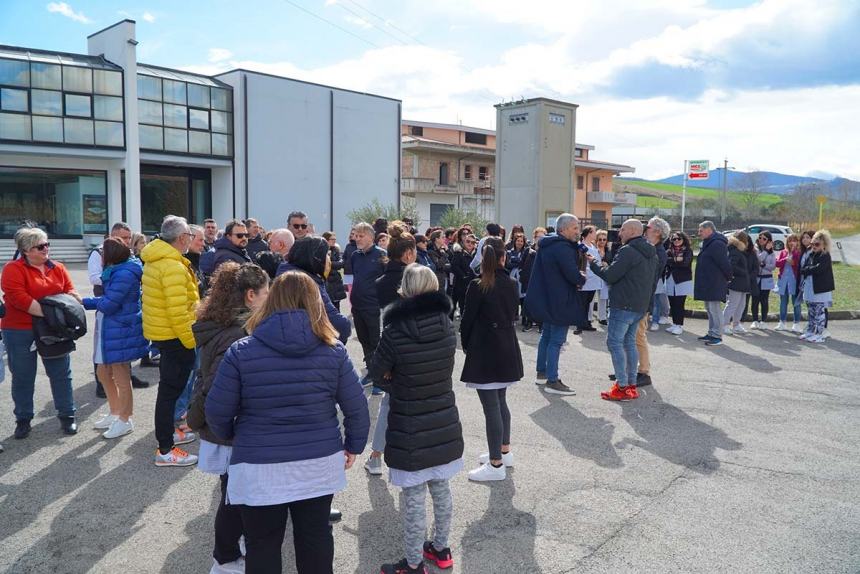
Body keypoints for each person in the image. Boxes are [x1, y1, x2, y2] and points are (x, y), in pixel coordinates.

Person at [205, 271, 370, 574]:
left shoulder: (242, 351)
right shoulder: (333, 351)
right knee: (316, 538)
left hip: (258, 464)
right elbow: (357, 407)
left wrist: (235, 436)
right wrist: (353, 445)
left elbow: (216, 411)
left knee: (262, 544)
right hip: (317, 461)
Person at [370, 264, 464, 574]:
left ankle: (413, 564)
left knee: (413, 497)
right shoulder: (447, 324)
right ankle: (441, 547)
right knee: (441, 486)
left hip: (409, 418)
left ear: (405, 290)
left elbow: (377, 373)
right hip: (443, 416)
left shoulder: (395, 330)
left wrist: (392, 380)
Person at [187, 262, 269, 574]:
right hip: (232, 429)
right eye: (265, 292)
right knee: (234, 498)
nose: (269, 297)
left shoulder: (221, 324)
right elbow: (216, 389)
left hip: (227, 427)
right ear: (250, 295)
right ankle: (225, 557)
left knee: (233, 493)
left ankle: (234, 548)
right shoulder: (237, 335)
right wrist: (197, 418)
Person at [1, 227, 81, 438]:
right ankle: (23, 419)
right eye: (40, 246)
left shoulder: (58, 267)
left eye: (47, 244)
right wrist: (53, 315)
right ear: (26, 250)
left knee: (61, 374)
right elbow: (20, 299)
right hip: (20, 329)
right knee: (23, 376)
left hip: (53, 330)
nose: (46, 249)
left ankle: (67, 416)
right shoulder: (12, 269)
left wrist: (72, 299)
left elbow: (70, 291)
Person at [460, 237, 523, 482]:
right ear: (503, 258)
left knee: (492, 407)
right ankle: (503, 452)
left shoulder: (478, 285)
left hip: (486, 348)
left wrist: (467, 346)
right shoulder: (511, 283)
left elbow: (466, 321)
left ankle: (496, 463)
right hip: (507, 345)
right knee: (500, 401)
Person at [141, 215, 200, 467]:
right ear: (180, 238)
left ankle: (168, 436)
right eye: (188, 234)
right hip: (176, 336)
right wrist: (190, 342)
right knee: (169, 392)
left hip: (165, 334)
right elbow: (178, 311)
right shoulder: (172, 266)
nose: (190, 238)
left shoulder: (160, 260)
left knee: (167, 391)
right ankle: (165, 449)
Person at [364, 223, 417, 474]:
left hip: (391, 344)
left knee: (389, 401)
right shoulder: (417, 278)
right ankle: (407, 455)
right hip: (418, 346)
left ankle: (375, 456)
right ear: (408, 254)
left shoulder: (381, 281)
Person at [83, 237, 148, 439]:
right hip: (112, 329)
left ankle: (125, 418)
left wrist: (84, 301)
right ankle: (115, 412)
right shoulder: (119, 270)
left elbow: (110, 304)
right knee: (104, 373)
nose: (100, 257)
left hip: (121, 329)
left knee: (120, 375)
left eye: (103, 254)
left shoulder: (125, 273)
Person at [588, 219, 657, 401]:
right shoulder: (652, 252)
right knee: (629, 343)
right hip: (639, 306)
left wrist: (594, 264)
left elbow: (610, 276)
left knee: (614, 343)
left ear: (633, 231)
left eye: (623, 230)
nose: (619, 233)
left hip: (624, 305)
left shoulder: (628, 251)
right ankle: (630, 385)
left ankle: (622, 386)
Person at [523, 214, 586, 396]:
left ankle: (542, 373)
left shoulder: (548, 244)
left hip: (549, 298)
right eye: (574, 228)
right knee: (556, 340)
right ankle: (552, 380)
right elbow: (572, 275)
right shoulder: (563, 248)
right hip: (560, 300)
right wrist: (582, 276)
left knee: (547, 337)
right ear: (563, 229)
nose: (578, 231)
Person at [276, 236, 352, 343]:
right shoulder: (308, 282)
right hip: (306, 345)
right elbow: (339, 325)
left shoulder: (283, 273)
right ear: (317, 258)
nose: (329, 260)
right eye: (327, 255)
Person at [350, 222, 387, 385]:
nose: (357, 239)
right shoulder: (355, 256)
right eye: (356, 235)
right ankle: (371, 370)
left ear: (371, 237)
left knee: (376, 341)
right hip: (357, 306)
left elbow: (388, 279)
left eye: (361, 236)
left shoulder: (381, 255)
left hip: (374, 306)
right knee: (364, 340)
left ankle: (380, 374)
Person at [635, 217, 668, 388]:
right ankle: (631, 369)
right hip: (640, 297)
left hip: (644, 298)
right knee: (633, 336)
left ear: (657, 232)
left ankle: (644, 371)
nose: (644, 229)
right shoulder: (652, 249)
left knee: (639, 335)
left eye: (647, 227)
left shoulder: (657, 252)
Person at [694, 221, 732, 346]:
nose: (699, 233)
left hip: (715, 282)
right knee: (709, 309)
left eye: (701, 230)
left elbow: (724, 263)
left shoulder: (717, 244)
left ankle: (717, 335)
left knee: (715, 309)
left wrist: (728, 278)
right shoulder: (708, 243)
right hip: (708, 282)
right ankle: (711, 333)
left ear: (709, 229)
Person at [799, 230, 835, 343]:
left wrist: (808, 269)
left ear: (824, 245)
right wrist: (809, 269)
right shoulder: (810, 254)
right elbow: (802, 269)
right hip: (809, 288)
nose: (814, 246)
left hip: (820, 289)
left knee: (819, 312)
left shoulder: (825, 256)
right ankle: (810, 331)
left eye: (817, 244)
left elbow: (818, 269)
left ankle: (819, 334)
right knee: (811, 311)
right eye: (813, 243)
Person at [723, 231, 752, 335]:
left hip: (742, 283)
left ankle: (736, 324)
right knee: (732, 304)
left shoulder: (738, 250)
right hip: (736, 282)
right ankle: (724, 324)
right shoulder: (735, 251)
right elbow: (732, 266)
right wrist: (744, 272)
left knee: (741, 305)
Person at [664, 231, 693, 335]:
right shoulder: (669, 251)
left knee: (679, 303)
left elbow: (685, 264)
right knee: (672, 303)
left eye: (678, 239)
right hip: (670, 279)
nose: (676, 241)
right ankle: (675, 324)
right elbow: (664, 261)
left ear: (683, 239)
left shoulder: (688, 251)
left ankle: (679, 325)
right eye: (674, 239)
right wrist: (675, 261)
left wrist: (671, 261)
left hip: (682, 280)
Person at [506, 232, 536, 331]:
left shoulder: (526, 252)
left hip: (523, 277)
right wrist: (518, 261)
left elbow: (523, 263)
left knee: (523, 297)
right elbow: (508, 264)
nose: (519, 243)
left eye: (521, 241)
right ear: (514, 242)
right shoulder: (509, 252)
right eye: (518, 241)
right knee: (513, 297)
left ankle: (524, 318)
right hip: (512, 277)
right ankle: (513, 317)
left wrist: (517, 261)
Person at [775, 233, 802, 332]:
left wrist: (793, 260)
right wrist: (785, 259)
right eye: (790, 241)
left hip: (794, 281)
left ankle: (797, 324)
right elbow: (777, 263)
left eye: (794, 240)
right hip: (783, 281)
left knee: (796, 302)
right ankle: (782, 322)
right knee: (783, 302)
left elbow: (799, 265)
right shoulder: (783, 252)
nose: (792, 243)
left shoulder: (799, 252)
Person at [578, 225, 602, 333]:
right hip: (586, 278)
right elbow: (581, 262)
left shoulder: (593, 245)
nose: (596, 234)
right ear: (589, 233)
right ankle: (580, 323)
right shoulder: (581, 246)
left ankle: (586, 322)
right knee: (582, 302)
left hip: (594, 279)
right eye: (594, 232)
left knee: (588, 302)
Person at [750, 232, 776, 329]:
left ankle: (763, 321)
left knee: (764, 300)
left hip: (767, 279)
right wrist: (765, 250)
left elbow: (773, 267)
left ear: (769, 241)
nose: (761, 240)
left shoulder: (772, 253)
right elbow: (758, 259)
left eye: (764, 239)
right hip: (756, 279)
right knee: (755, 300)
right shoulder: (755, 249)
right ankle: (755, 320)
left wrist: (764, 265)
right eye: (760, 237)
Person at [449, 233, 477, 318]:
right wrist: (463, 276)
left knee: (470, 307)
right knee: (458, 305)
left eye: (473, 242)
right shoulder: (459, 253)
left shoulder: (477, 255)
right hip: (460, 284)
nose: (470, 244)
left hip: (473, 284)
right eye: (468, 241)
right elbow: (454, 266)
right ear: (464, 242)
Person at [322, 231, 347, 311]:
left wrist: (328, 263)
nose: (334, 241)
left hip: (335, 282)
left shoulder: (335, 250)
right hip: (325, 281)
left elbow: (341, 264)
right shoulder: (320, 250)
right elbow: (320, 264)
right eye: (332, 239)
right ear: (326, 240)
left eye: (335, 239)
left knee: (336, 308)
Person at [595, 229, 614, 325]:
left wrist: (607, 264)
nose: (602, 241)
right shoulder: (593, 249)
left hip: (604, 275)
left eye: (604, 239)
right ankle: (588, 318)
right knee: (590, 299)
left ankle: (602, 317)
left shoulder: (609, 250)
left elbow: (613, 262)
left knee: (603, 297)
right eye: (600, 239)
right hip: (594, 276)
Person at [426, 230, 451, 294]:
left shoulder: (442, 250)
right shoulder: (431, 251)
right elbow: (438, 265)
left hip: (443, 279)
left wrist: (447, 250)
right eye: (443, 237)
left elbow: (450, 263)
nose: (445, 239)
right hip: (436, 280)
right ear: (436, 239)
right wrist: (444, 255)